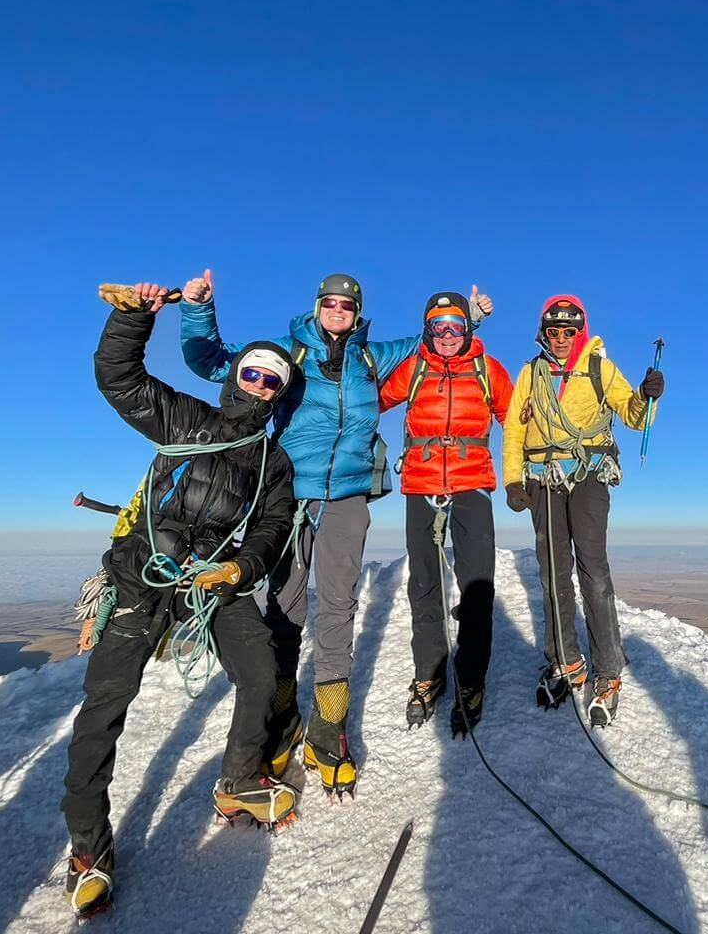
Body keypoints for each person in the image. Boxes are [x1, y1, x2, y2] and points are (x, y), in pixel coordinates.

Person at [179, 269, 491, 798]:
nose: (338, 312)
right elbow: (212, 363)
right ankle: (281, 718)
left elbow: (433, 341)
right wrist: (196, 310)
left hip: (347, 499)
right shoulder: (286, 350)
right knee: (284, 608)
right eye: (330, 303)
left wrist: (471, 316)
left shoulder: (373, 356)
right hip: (288, 496)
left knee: (338, 608)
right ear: (317, 305)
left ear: (357, 311)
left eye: (347, 306)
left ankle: (328, 730)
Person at [62, 282, 299, 917]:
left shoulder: (273, 464)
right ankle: (88, 849)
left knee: (260, 670)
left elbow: (273, 528)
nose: (259, 385)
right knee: (105, 708)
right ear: (236, 377)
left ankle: (240, 781)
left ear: (279, 395)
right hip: (144, 578)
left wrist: (240, 568)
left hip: (213, 587)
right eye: (251, 372)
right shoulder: (188, 418)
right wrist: (131, 318)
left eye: (272, 381)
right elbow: (119, 378)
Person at [503, 295, 664, 728]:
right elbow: (514, 427)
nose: (560, 339)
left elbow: (634, 416)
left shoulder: (599, 368)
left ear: (580, 331)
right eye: (553, 332)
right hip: (542, 480)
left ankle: (607, 670)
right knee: (553, 571)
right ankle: (566, 661)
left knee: (593, 571)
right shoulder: (530, 373)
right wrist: (513, 478)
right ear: (543, 333)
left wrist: (649, 398)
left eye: (568, 332)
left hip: (589, 475)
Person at [378, 291, 514, 736]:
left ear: (468, 329)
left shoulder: (487, 369)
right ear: (427, 331)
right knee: (424, 586)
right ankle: (429, 673)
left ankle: (471, 681)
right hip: (421, 485)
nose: (448, 335)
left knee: (477, 587)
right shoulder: (414, 369)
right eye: (439, 327)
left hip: (472, 482)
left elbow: (518, 420)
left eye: (456, 325)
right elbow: (371, 402)